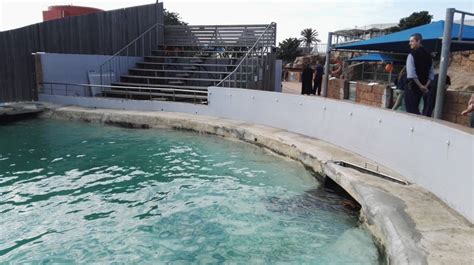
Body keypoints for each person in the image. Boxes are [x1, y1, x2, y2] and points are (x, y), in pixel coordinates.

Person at [405, 33, 434, 115]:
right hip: (425, 88)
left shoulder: (412, 55)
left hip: (413, 87)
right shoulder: (429, 56)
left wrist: (420, 86)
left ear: (418, 41)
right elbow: (431, 73)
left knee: (411, 111)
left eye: (412, 41)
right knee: (422, 110)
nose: (409, 43)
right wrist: (425, 86)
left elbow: (411, 73)